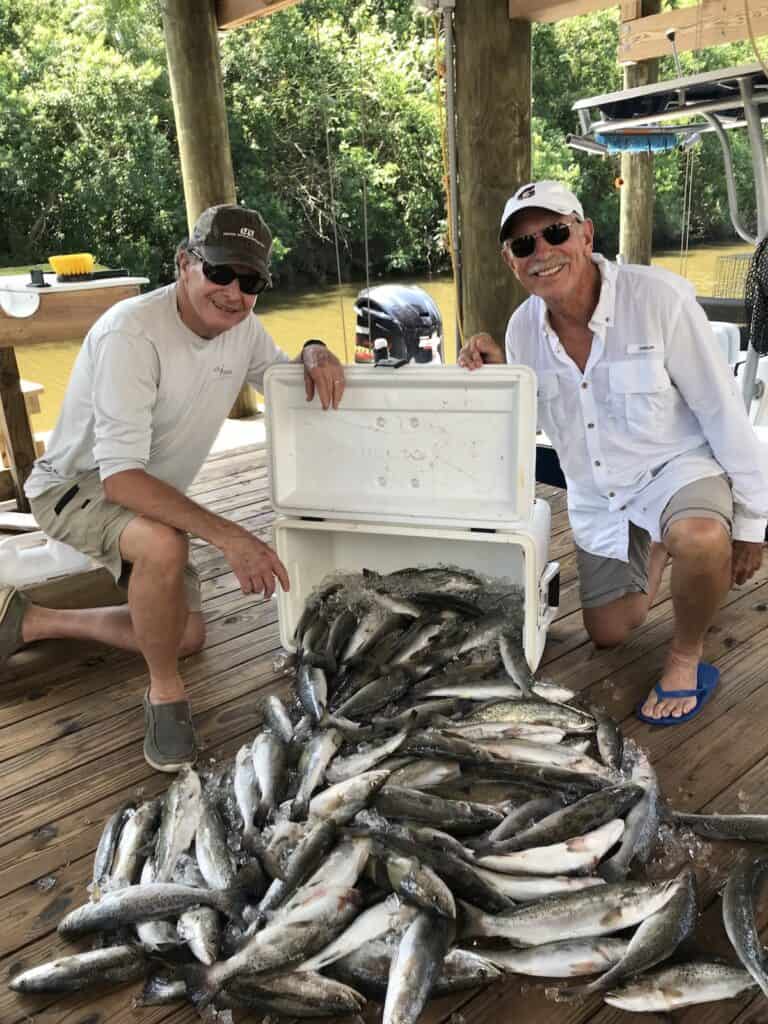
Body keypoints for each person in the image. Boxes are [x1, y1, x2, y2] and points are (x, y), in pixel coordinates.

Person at [0, 203, 346, 771]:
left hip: (144, 493)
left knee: (186, 634)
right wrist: (232, 537)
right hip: (73, 488)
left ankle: (33, 619)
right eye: (220, 272)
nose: (234, 292)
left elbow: (285, 382)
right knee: (164, 545)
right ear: (185, 262)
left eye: (251, 280)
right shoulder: (131, 335)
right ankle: (165, 695)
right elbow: (121, 479)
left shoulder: (244, 329)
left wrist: (313, 350)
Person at [458, 180, 768, 725]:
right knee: (610, 633)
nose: (543, 252)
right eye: (524, 245)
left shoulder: (660, 299)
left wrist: (750, 523)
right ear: (511, 261)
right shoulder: (522, 330)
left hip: (676, 469)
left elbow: (724, 411)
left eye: (555, 232)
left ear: (585, 233)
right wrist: (497, 368)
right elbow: (527, 417)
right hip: (600, 494)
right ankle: (658, 543)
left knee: (700, 539)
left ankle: (686, 658)